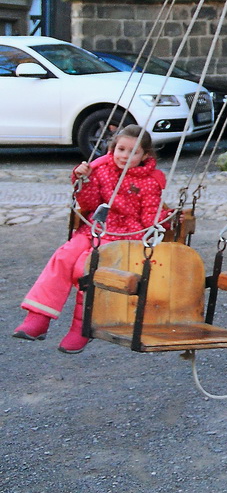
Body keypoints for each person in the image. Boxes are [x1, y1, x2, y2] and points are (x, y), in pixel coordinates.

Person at [12, 125, 168, 353]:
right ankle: (39, 316)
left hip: (123, 235)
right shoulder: (102, 169)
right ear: (112, 148)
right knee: (64, 256)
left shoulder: (150, 181)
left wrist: (164, 218)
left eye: (132, 152)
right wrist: (83, 180)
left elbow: (148, 218)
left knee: (84, 268)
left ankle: (82, 327)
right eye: (120, 149)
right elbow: (89, 203)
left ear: (145, 156)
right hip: (95, 227)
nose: (124, 156)